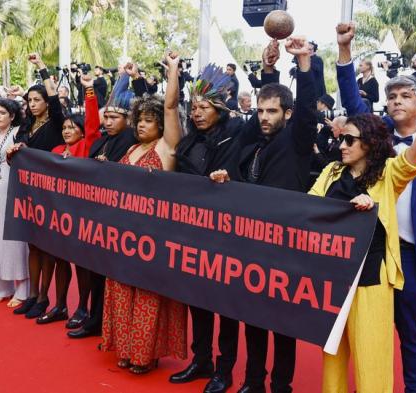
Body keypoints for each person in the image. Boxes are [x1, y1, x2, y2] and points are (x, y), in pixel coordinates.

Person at [336, 22, 416, 393]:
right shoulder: (376, 140)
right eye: (391, 98)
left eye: (405, 97)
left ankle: (415, 388)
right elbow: (351, 98)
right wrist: (345, 50)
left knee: (409, 330)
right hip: (371, 248)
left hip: (411, 255)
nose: (395, 102)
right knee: (363, 328)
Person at [169, 40, 280, 393]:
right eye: (194, 107)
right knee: (198, 303)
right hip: (192, 234)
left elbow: (263, 111)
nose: (197, 113)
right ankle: (200, 359)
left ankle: (224, 371)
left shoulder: (236, 133)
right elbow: (172, 110)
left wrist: (268, 70)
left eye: (204, 107)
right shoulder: (187, 142)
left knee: (227, 309)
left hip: (229, 236)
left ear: (220, 108)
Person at [209, 36, 318, 393]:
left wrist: (303, 64)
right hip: (249, 245)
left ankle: (280, 386)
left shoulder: (298, 143)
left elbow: (306, 114)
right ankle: (253, 382)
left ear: (287, 114)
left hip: (286, 248)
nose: (265, 117)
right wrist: (268, 67)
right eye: (260, 111)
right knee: (252, 319)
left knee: (282, 326)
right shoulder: (252, 141)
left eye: (273, 112)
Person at [101, 52, 187, 375]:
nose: (140, 125)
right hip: (122, 234)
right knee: (122, 293)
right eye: (139, 120)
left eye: (148, 120)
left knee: (148, 295)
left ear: (161, 126)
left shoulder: (166, 148)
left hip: (153, 236)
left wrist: (173, 71)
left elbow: (169, 106)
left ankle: (144, 354)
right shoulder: (130, 149)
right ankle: (124, 348)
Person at [67, 65, 141, 340]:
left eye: (113, 117)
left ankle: (111, 324)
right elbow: (90, 125)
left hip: (120, 221)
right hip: (96, 218)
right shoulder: (99, 142)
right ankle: (95, 320)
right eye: (105, 116)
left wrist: (128, 78)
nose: (107, 121)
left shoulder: (131, 140)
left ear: (128, 120)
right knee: (95, 275)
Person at [36, 74, 102, 326]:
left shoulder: (87, 145)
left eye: (72, 127)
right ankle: (60, 305)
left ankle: (82, 308)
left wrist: (89, 91)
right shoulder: (53, 152)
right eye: (64, 128)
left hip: (82, 213)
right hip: (57, 213)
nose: (66, 131)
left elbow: (93, 123)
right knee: (59, 260)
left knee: (81, 263)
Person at [8, 53, 65, 319]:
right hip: (27, 190)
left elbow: (55, 99)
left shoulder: (55, 123)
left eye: (36, 100)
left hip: (51, 192)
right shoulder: (25, 127)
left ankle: (44, 296)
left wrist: (41, 67)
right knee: (33, 244)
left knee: (48, 245)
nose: (32, 104)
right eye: (29, 100)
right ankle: (32, 295)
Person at [0, 99, 29, 306]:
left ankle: (22, 289)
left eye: (3, 112)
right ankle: (1, 287)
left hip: (13, 188)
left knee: (13, 239)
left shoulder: (18, 132)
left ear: (12, 116)